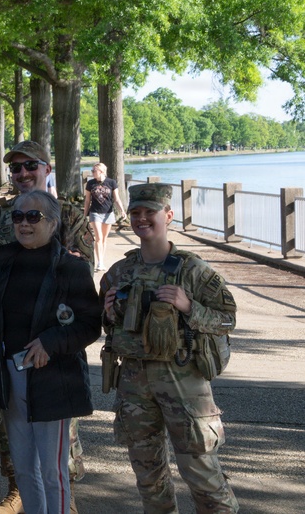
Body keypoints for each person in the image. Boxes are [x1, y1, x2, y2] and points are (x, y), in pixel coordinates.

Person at [99, 183, 239, 513]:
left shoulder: (193, 271)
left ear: (169, 216)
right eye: (136, 213)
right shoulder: (120, 272)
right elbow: (110, 328)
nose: (142, 219)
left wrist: (189, 307)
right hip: (133, 383)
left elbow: (227, 318)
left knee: (201, 474)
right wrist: (107, 314)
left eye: (151, 212)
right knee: (148, 476)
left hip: (183, 379)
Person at [0, 140, 94, 514]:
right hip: (10, 369)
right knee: (23, 464)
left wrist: (51, 341)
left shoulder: (71, 256)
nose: (25, 223)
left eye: (34, 218)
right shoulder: (3, 254)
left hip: (52, 373)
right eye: (19, 217)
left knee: (53, 469)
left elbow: (88, 319)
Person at [83, 162, 125, 272]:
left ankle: (102, 259)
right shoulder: (90, 183)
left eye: (94, 171)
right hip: (95, 213)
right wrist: (84, 214)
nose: (92, 173)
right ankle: (100, 262)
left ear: (101, 172)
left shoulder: (111, 182)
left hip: (108, 213)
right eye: (92, 171)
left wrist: (122, 211)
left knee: (104, 239)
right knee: (99, 238)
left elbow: (116, 198)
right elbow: (87, 200)